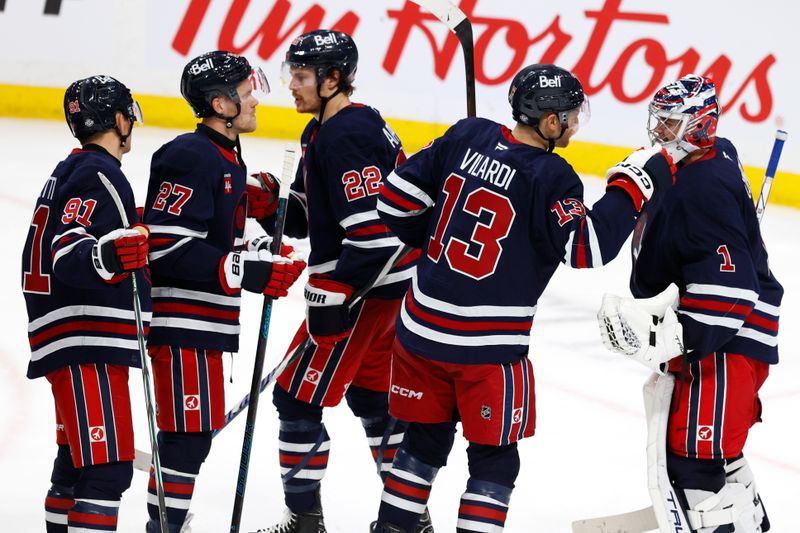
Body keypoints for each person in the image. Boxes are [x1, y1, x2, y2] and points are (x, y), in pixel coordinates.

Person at [370, 63, 681, 532]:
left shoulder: (466, 134)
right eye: (572, 115)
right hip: (487, 350)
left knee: (421, 443)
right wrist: (631, 186)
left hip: (420, 333)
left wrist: (435, 234)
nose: (576, 123)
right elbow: (587, 246)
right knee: (495, 464)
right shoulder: (551, 175)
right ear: (550, 121)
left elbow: (393, 201)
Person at [248, 30, 420, 533]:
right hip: (381, 291)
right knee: (374, 400)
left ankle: (304, 523)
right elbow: (314, 215)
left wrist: (339, 292)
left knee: (295, 398)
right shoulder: (325, 129)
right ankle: (410, 521)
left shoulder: (349, 134)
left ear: (333, 79)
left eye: (301, 77)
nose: (292, 87)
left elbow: (376, 233)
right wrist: (273, 204)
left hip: (363, 294)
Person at [597, 74, 781, 533]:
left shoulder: (704, 187)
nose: (659, 133)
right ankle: (749, 522)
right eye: (658, 123)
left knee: (694, 462)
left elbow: (730, 289)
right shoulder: (712, 156)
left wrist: (678, 337)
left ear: (700, 125)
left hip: (725, 343)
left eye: (670, 125)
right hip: (724, 340)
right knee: (718, 450)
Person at [141, 51, 306, 532]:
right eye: (246, 92)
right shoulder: (188, 155)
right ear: (220, 103)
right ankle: (164, 527)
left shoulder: (226, 156)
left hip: (208, 323)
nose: (255, 100)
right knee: (186, 438)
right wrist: (245, 270)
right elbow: (166, 246)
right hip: (182, 323)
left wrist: (261, 251)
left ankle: (166, 522)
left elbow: (217, 239)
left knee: (191, 438)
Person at [21, 75, 148, 532]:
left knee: (77, 461)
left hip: (68, 334)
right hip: (85, 337)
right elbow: (69, 250)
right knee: (106, 469)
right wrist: (107, 253)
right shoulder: (100, 173)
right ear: (118, 119)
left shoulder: (71, 170)